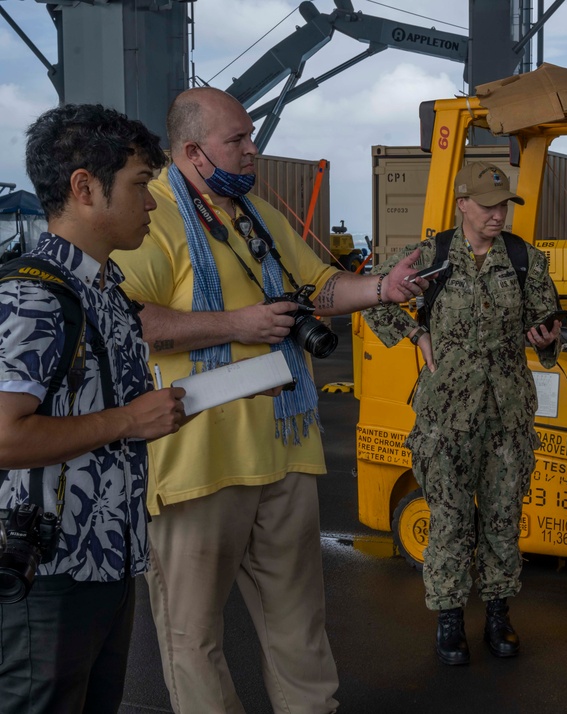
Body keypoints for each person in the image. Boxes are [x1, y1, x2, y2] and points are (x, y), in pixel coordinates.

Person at [113, 86, 425, 713]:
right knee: (192, 637)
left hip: (283, 456)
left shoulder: (253, 213)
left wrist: (384, 288)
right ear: (195, 151)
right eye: (240, 140)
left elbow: (320, 286)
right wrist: (239, 324)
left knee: (300, 627)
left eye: (252, 137)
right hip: (200, 462)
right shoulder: (154, 217)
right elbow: (127, 317)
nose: (253, 151)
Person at [0, 104, 187, 712]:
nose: (152, 204)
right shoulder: (34, 296)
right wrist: (132, 420)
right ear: (85, 187)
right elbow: (4, 436)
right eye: (140, 186)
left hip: (106, 558)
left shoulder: (105, 290)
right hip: (48, 573)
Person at [363, 161, 562, 666]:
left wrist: (548, 340)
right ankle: (449, 619)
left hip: (507, 414)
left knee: (501, 518)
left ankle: (498, 614)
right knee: (449, 521)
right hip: (444, 414)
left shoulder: (523, 260)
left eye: (504, 206)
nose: (498, 215)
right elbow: (375, 297)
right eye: (489, 206)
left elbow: (546, 322)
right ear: (463, 205)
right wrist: (416, 333)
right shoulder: (429, 257)